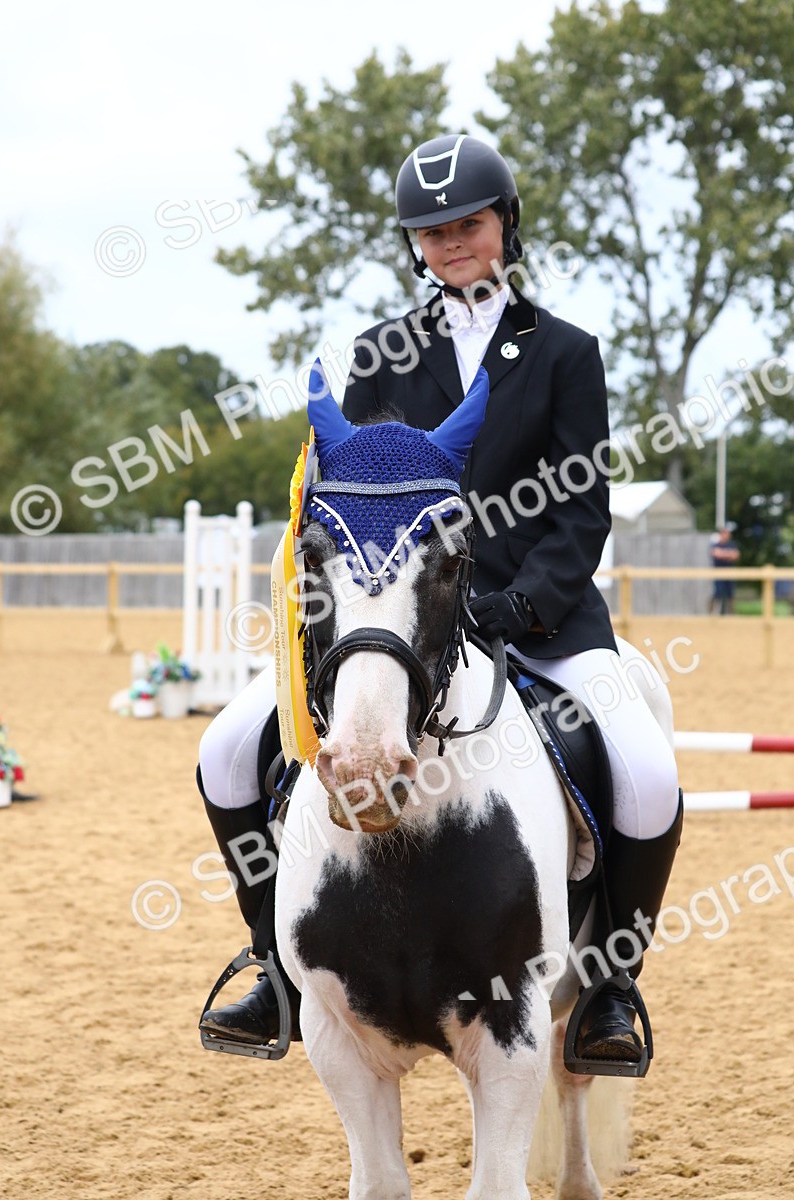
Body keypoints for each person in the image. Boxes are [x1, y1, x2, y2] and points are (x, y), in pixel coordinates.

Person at [198, 133, 683, 1069]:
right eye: (432, 231)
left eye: (469, 222)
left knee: (648, 772)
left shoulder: (567, 354)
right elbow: (354, 494)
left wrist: (521, 608)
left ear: (505, 224)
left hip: (539, 624)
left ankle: (611, 990)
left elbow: (582, 510)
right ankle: (272, 966)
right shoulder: (383, 354)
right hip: (397, 626)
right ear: (413, 244)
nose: (452, 242)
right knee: (225, 749)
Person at [708, 527, 740, 614]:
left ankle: (731, 614)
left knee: (730, 594)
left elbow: (736, 555)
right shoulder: (716, 544)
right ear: (722, 534)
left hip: (729, 573)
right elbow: (716, 553)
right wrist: (729, 554)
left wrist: (723, 554)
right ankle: (711, 613)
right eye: (726, 533)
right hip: (718, 573)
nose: (728, 535)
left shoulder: (731, 544)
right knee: (717, 593)